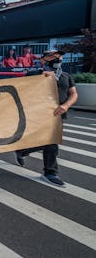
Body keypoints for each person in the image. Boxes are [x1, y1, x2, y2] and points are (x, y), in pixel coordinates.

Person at [15, 50, 78, 187]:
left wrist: (66, 105)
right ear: (43, 60)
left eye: (59, 56)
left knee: (50, 142)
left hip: (57, 114)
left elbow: (73, 94)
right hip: (38, 115)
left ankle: (23, 152)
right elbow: (21, 91)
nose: (57, 58)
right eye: (52, 56)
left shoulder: (66, 76)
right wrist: (41, 79)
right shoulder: (34, 74)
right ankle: (50, 172)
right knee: (50, 142)